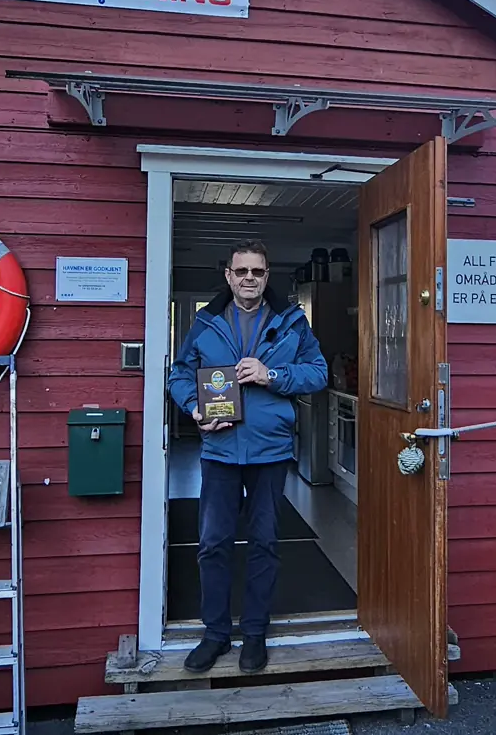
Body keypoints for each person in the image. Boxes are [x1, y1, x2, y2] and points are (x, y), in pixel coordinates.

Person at [167, 239, 327, 673]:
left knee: (265, 544)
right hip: (219, 452)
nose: (249, 279)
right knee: (212, 544)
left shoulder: (292, 322)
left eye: (257, 271)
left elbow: (318, 373)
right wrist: (194, 408)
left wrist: (271, 374)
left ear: (266, 275)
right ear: (229, 276)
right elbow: (179, 375)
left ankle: (254, 633)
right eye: (242, 271)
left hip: (270, 452)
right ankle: (215, 634)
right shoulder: (206, 322)